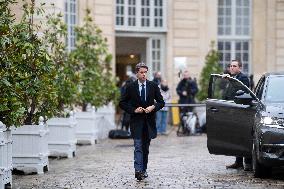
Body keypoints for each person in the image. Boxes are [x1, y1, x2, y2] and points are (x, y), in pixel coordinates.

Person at [119, 62, 165, 181]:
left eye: (145, 72)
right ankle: (138, 170)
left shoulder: (153, 86)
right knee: (138, 146)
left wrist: (153, 107)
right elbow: (122, 103)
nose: (144, 75)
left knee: (145, 148)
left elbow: (161, 102)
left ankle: (143, 169)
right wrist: (134, 110)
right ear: (137, 73)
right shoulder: (131, 87)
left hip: (149, 123)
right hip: (136, 122)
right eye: (141, 72)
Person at [224, 59, 252, 171]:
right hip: (233, 109)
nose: (232, 68)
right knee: (236, 136)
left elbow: (240, 90)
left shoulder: (243, 78)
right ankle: (238, 162)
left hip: (242, 110)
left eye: (234, 66)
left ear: (240, 67)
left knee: (243, 136)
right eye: (230, 66)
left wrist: (230, 80)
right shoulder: (234, 78)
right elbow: (228, 93)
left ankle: (248, 162)